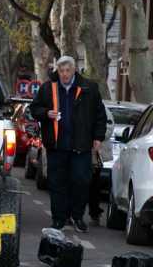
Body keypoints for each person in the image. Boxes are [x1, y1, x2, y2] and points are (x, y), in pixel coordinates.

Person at [30, 56, 106, 232]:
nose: (64, 75)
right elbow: (34, 109)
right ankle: (59, 219)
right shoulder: (48, 88)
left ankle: (77, 215)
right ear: (58, 71)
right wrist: (46, 113)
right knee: (57, 183)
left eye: (68, 71)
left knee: (81, 181)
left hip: (81, 145)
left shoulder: (89, 88)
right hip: (56, 145)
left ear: (74, 71)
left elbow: (99, 115)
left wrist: (98, 137)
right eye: (61, 71)